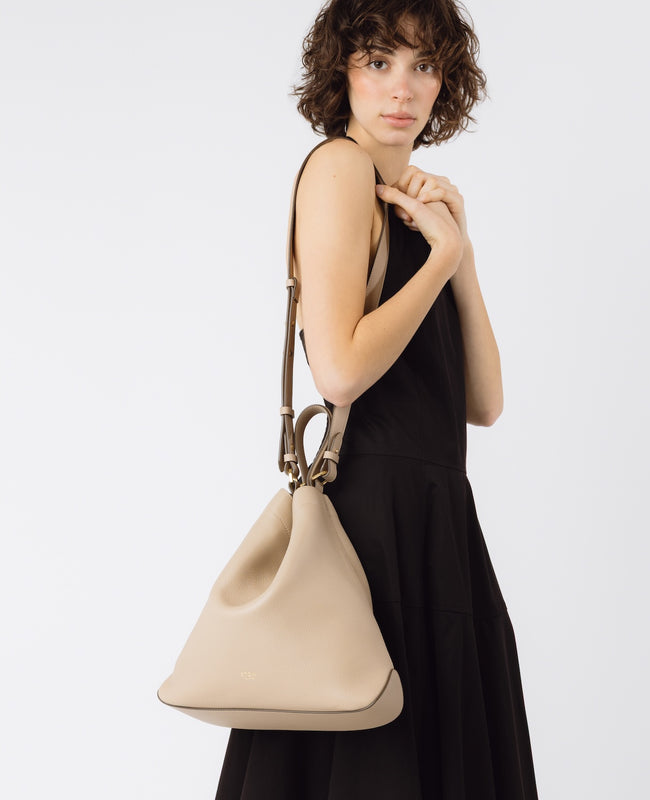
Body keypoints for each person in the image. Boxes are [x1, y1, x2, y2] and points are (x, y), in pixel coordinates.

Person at [215, 0, 539, 797]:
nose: (403, 88)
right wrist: (436, 265)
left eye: (424, 65)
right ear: (342, 72)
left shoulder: (412, 198)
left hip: (435, 519)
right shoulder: (339, 169)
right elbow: (339, 373)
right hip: (372, 523)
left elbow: (486, 401)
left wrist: (455, 253)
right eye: (379, 61)